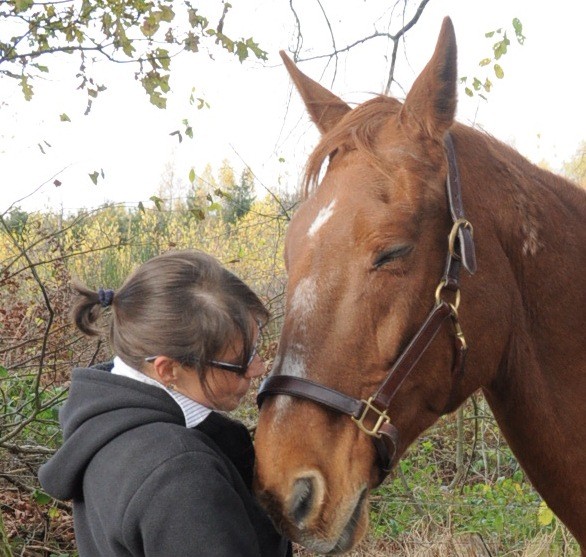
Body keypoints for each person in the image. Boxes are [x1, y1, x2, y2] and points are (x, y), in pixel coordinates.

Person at [39, 249, 291, 557]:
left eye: (254, 348)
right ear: (168, 369)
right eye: (240, 361)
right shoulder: (180, 477)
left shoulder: (105, 425)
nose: (259, 368)